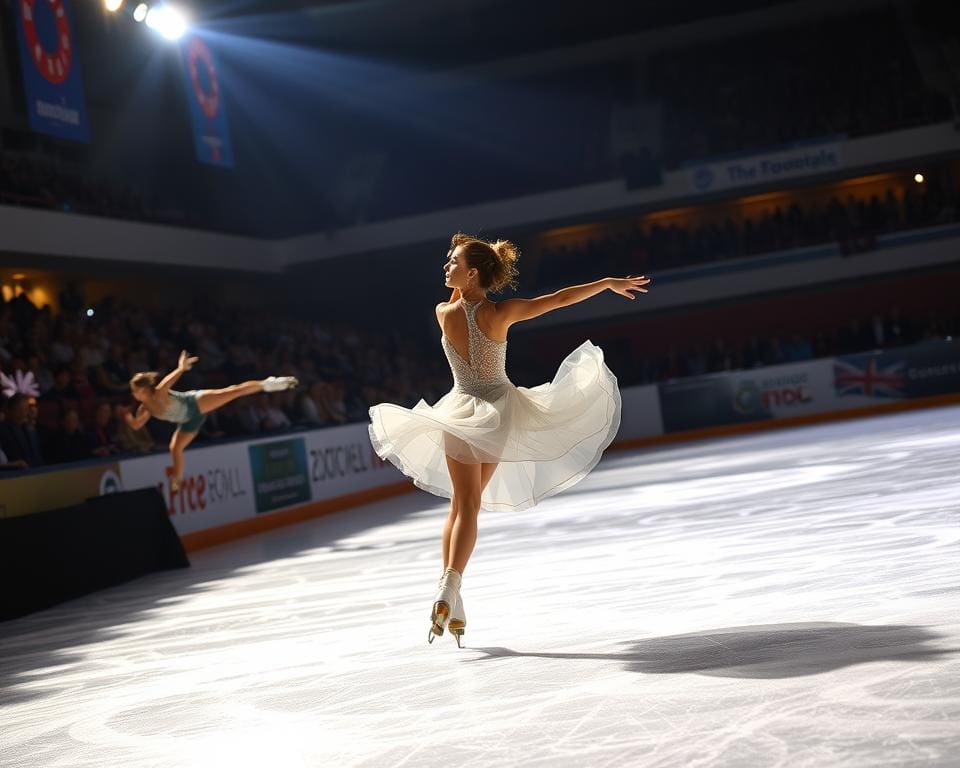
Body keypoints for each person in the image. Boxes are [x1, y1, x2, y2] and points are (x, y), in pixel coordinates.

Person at [368, 232, 649, 646]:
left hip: (457, 411)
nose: (446, 265)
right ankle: (452, 588)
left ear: (473, 272)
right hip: (498, 413)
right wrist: (606, 283)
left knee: (462, 506)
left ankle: (450, 589)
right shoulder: (500, 314)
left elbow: (539, 300)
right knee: (469, 508)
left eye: (454, 260)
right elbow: (558, 299)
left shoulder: (442, 312)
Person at [125, 350, 297, 491]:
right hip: (189, 422)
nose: (134, 394)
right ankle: (177, 481)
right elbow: (137, 425)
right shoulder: (144, 408)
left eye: (136, 390)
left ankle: (268, 384)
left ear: (146, 389)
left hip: (195, 403)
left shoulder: (159, 392)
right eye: (133, 392)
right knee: (175, 448)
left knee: (232, 391)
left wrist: (181, 367)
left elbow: (170, 379)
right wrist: (128, 418)